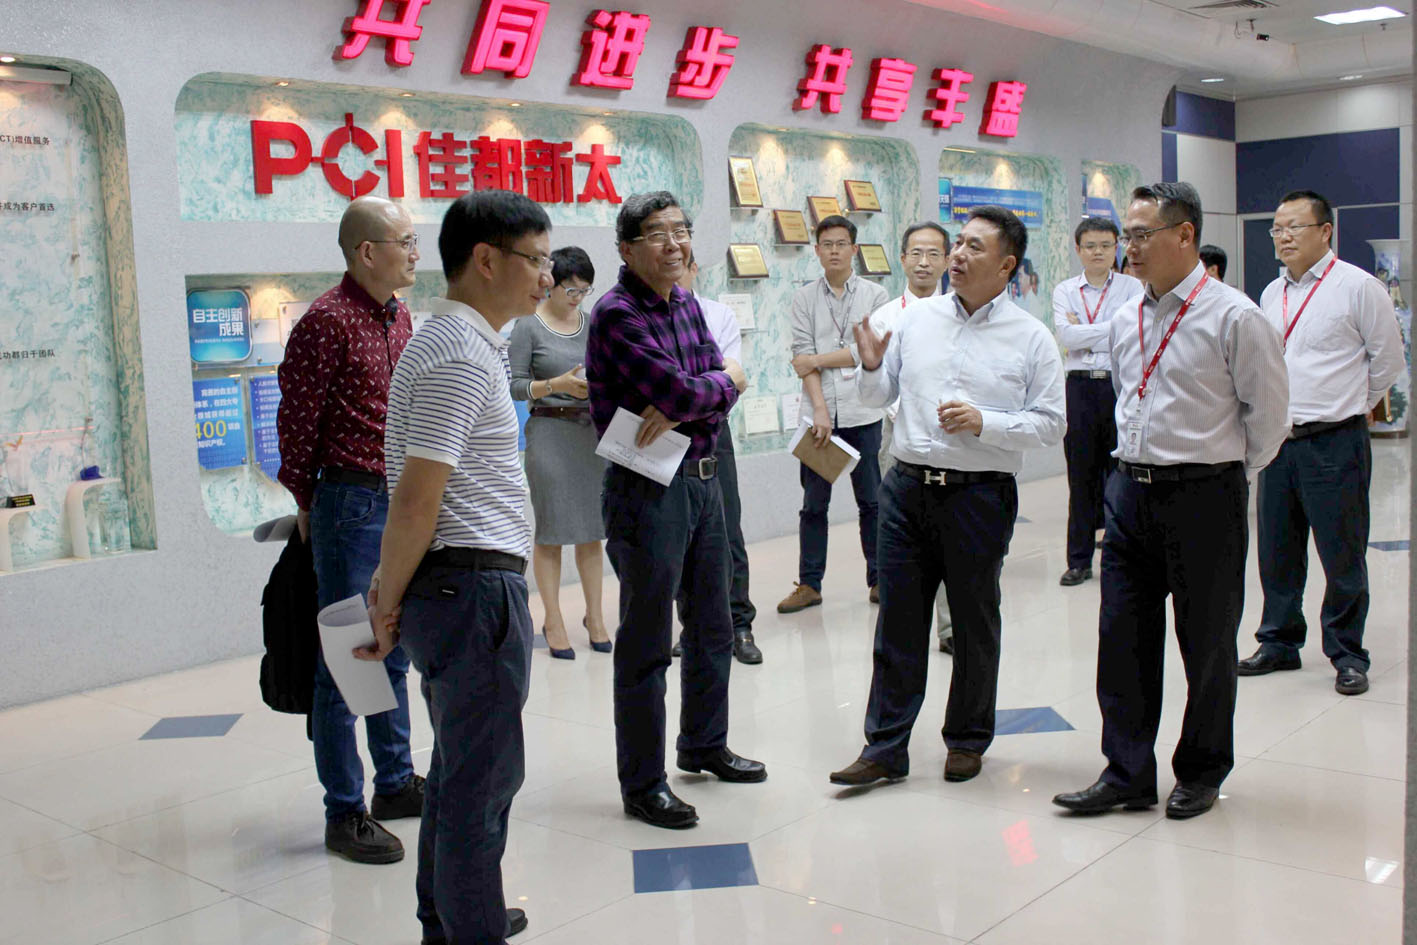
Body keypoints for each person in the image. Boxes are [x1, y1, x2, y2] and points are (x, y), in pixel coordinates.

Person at [1053, 182, 1288, 821]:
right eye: (1125, 236)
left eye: (1139, 235)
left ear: (1185, 235)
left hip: (1205, 496)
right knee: (1121, 638)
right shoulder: (1126, 315)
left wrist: (1221, 473)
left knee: (1207, 644)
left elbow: (1269, 420)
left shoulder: (1234, 317)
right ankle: (1126, 773)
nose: (1127, 248)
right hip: (1130, 493)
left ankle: (1202, 771)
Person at [362, 190, 552, 944]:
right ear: (486, 260)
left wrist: (394, 589)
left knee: (460, 772)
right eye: (536, 260)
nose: (547, 278)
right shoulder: (459, 354)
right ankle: (470, 927)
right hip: (472, 589)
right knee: (482, 785)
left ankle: (451, 919)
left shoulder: (454, 341)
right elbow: (417, 498)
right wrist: (387, 599)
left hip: (462, 583)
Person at [829, 206, 1065, 787]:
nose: (956, 255)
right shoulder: (915, 321)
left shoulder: (1031, 337)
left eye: (973, 247)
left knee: (972, 622)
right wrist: (870, 367)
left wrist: (987, 423)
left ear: (1007, 265)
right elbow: (878, 394)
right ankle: (885, 747)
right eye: (957, 243)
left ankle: (966, 738)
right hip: (907, 489)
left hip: (978, 496)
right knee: (898, 621)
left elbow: (1051, 423)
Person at [585, 191, 764, 830]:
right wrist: (715, 387)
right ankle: (643, 783)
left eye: (681, 230)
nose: (674, 244)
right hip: (647, 489)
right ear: (627, 249)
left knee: (713, 625)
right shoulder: (616, 314)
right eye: (658, 234)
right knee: (646, 640)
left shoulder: (685, 303)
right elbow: (689, 388)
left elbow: (707, 390)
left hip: (705, 481)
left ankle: (704, 744)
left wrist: (707, 393)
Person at [276, 195, 421, 865]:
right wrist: (309, 501)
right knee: (346, 657)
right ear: (367, 251)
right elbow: (297, 423)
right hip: (349, 503)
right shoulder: (326, 321)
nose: (414, 253)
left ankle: (395, 781)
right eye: (404, 241)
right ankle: (344, 810)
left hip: (396, 500)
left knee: (391, 645)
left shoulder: (399, 315)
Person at [1238, 190, 1403, 696]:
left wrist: (1350, 405)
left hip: (1334, 441)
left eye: (1295, 227)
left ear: (1325, 231)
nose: (1283, 237)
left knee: (1342, 552)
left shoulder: (1358, 287)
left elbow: (1388, 361)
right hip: (1279, 442)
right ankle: (1279, 641)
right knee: (1277, 549)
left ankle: (1347, 653)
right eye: (1277, 229)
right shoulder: (1272, 292)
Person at [778, 215, 890, 614]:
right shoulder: (804, 298)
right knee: (813, 505)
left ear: (854, 249)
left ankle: (879, 579)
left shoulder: (876, 295)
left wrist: (817, 359)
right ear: (817, 251)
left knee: (872, 503)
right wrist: (820, 410)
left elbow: (865, 351)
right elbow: (801, 357)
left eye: (842, 243)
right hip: (819, 416)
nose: (835, 251)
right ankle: (809, 584)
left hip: (864, 412)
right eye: (827, 244)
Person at [508, 246, 612, 660]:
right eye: (571, 290)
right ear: (551, 284)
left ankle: (595, 616)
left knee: (591, 530)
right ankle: (552, 618)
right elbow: (515, 385)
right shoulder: (528, 326)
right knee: (551, 530)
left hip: (591, 433)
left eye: (585, 291)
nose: (578, 298)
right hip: (549, 430)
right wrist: (556, 385)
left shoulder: (593, 324)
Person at [869, 221, 955, 654]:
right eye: (916, 253)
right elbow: (875, 386)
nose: (924, 263)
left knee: (950, 535)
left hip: (950, 436)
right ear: (902, 259)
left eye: (933, 254)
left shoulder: (960, 312)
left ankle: (949, 628)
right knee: (903, 535)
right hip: (898, 435)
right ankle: (904, 631)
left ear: (948, 260)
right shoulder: (885, 317)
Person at [671, 250, 761, 665]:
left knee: (727, 528)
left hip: (710, 429)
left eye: (681, 266)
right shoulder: (645, 317)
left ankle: (740, 624)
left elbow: (731, 378)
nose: (673, 274)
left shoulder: (717, 314)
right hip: (664, 434)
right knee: (678, 532)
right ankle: (692, 626)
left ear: (694, 269)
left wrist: (689, 393)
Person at [1052, 218, 1144, 587]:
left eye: (1106, 245)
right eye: (1090, 246)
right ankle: (1078, 561)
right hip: (1078, 389)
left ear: (1116, 248)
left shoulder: (1131, 286)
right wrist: (1108, 328)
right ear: (1078, 250)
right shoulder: (1065, 290)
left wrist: (1084, 332)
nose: (1098, 252)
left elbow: (1131, 331)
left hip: (1118, 386)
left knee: (1121, 475)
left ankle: (1120, 557)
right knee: (1081, 478)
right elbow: (1067, 336)